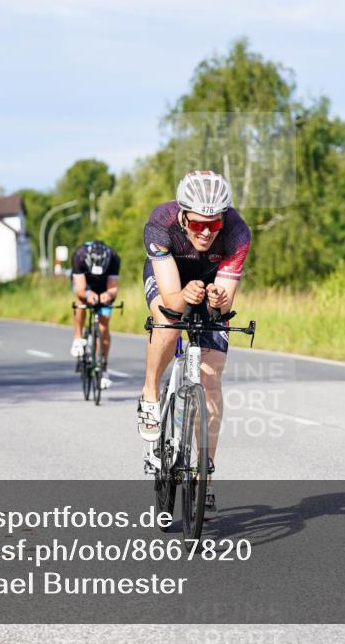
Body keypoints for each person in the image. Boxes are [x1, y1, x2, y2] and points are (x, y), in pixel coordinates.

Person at [138, 170, 250, 512]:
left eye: (213, 225)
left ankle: (205, 476)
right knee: (168, 322)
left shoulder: (237, 233)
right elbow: (172, 300)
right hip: (171, 280)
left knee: (212, 376)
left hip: (209, 280)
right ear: (183, 215)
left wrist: (218, 300)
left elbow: (226, 303)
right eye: (198, 224)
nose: (205, 232)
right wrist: (182, 297)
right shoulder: (161, 224)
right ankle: (151, 392)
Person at [70, 240, 120, 388]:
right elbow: (79, 289)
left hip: (104, 286)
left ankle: (103, 368)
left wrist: (108, 295)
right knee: (81, 303)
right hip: (86, 285)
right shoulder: (79, 255)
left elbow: (113, 288)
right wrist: (87, 293)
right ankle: (78, 337)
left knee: (103, 328)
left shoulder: (113, 258)